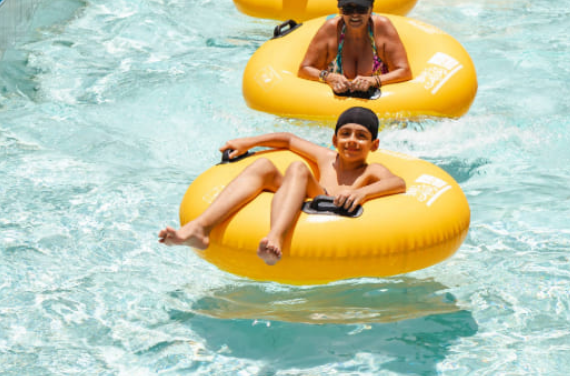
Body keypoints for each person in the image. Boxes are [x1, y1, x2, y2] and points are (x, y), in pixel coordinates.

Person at [158, 107, 406, 265]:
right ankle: (200, 228)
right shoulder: (326, 158)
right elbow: (288, 140)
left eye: (361, 136)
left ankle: (275, 237)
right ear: (335, 139)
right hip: (310, 195)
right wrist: (249, 142)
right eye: (346, 134)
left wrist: (362, 192)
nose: (352, 141)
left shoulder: (372, 171)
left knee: (297, 168)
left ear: (374, 145)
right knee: (263, 165)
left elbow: (398, 182)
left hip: (329, 203)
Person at [299, 0, 411, 95]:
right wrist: (328, 77)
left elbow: (404, 71)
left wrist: (374, 80)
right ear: (340, 10)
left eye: (361, 8)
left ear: (371, 8)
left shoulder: (382, 28)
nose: (355, 15)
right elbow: (304, 69)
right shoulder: (331, 29)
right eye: (348, 9)